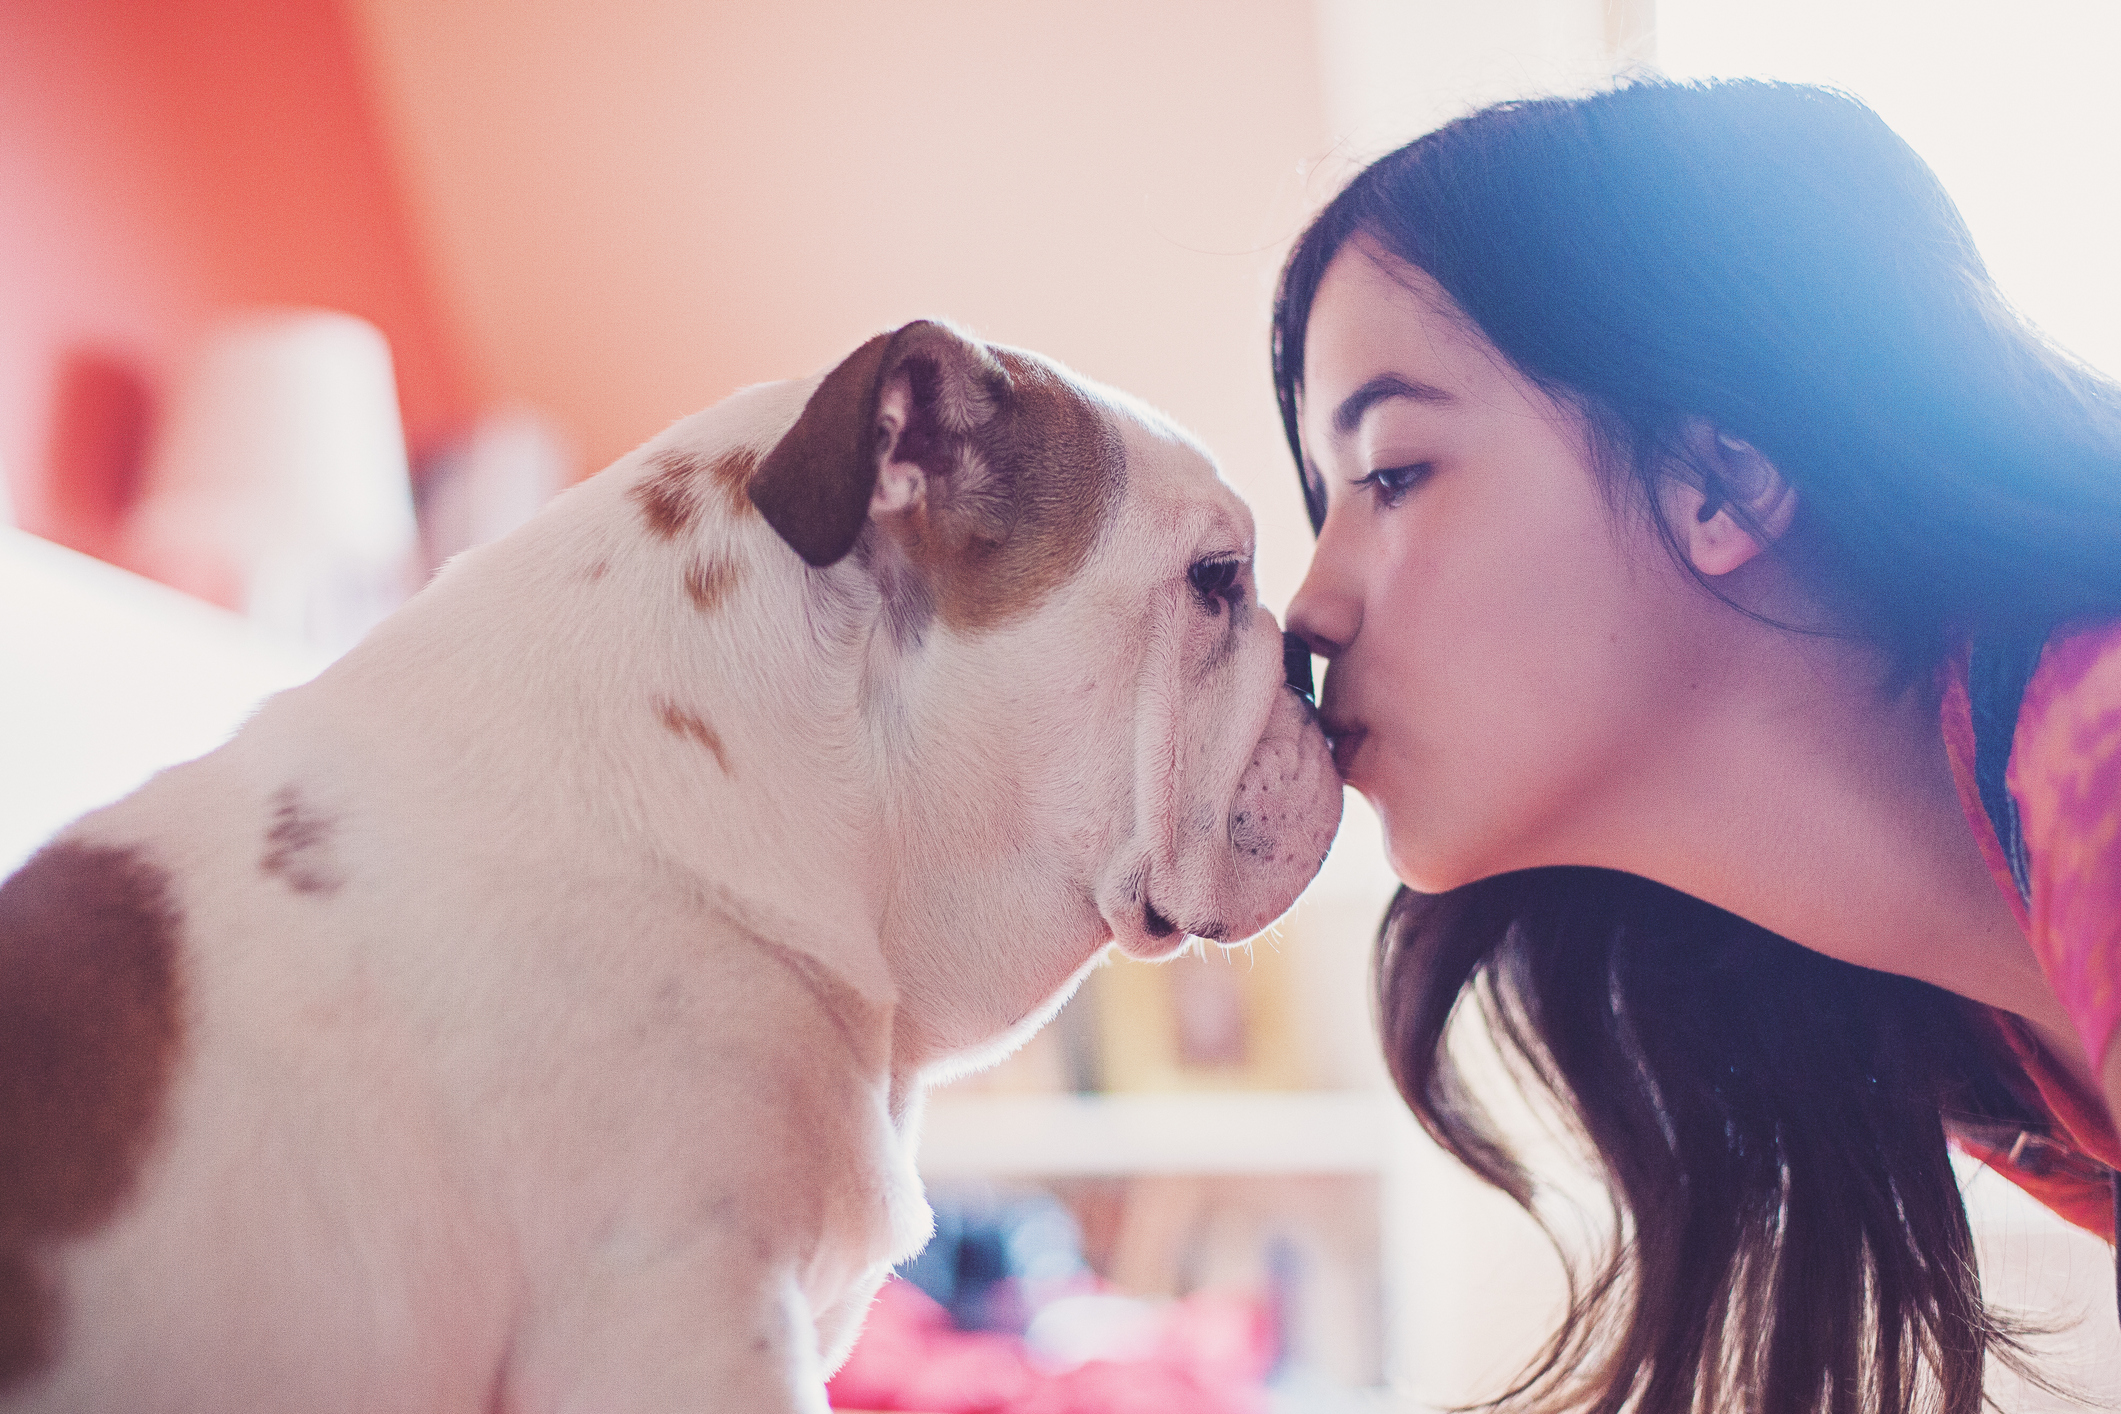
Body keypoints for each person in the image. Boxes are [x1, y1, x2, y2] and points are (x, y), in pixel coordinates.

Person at [1277, 79, 2121, 1414]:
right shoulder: (1974, 1030)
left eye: (1390, 471)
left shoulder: (2098, 737)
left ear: (1717, 478)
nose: (1309, 606)